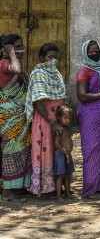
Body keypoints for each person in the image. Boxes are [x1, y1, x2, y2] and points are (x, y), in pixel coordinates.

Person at [26, 42, 66, 196]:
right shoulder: (38, 73)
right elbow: (37, 101)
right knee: (46, 151)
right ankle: (45, 186)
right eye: (50, 57)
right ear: (42, 58)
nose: (53, 60)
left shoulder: (56, 73)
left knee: (58, 151)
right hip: (45, 120)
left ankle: (57, 185)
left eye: (55, 57)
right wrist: (51, 122)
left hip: (58, 118)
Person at [76, 40, 100, 198]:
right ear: (86, 53)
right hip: (90, 115)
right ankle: (89, 189)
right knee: (92, 150)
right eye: (91, 52)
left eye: (96, 50)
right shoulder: (84, 71)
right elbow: (82, 95)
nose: (94, 53)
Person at [0, 34, 31, 202]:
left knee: (21, 151)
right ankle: (7, 192)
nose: (20, 50)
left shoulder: (13, 63)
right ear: (7, 48)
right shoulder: (5, 63)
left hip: (20, 116)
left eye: (21, 46)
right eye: (17, 47)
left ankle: (18, 188)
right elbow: (17, 71)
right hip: (9, 117)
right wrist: (11, 53)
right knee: (10, 152)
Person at [53, 104, 75, 204]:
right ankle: (58, 196)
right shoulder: (59, 129)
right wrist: (65, 152)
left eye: (69, 118)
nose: (68, 120)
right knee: (60, 175)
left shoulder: (68, 129)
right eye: (65, 118)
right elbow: (57, 144)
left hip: (67, 154)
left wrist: (68, 153)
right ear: (59, 118)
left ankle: (68, 194)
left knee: (67, 175)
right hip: (60, 154)